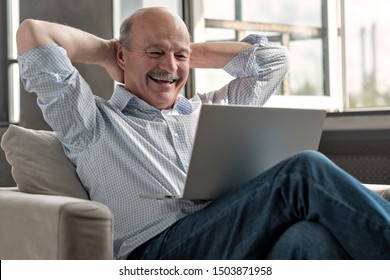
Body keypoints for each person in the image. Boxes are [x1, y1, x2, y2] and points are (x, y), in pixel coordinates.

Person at [16, 7, 389, 260]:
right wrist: (108, 53)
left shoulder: (210, 109)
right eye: (155, 52)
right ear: (122, 57)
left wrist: (183, 52)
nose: (170, 67)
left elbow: (274, 60)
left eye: (180, 57)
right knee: (301, 171)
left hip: (232, 239)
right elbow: (34, 34)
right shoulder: (90, 121)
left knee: (307, 240)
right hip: (157, 253)